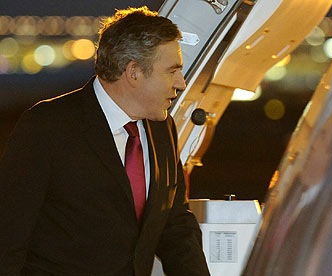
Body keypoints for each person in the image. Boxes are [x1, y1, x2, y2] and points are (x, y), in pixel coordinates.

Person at [0, 6, 210, 276]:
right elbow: (8, 238)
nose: (180, 83)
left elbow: (175, 224)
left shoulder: (162, 128)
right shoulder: (48, 126)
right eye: (172, 71)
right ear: (133, 71)